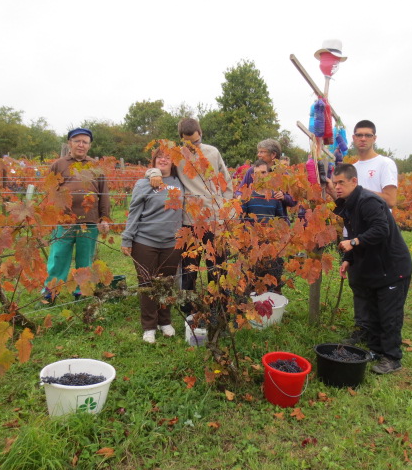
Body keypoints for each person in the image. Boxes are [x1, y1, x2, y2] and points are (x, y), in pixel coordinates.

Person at [327, 164, 412, 374]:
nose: (337, 187)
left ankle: (392, 358)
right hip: (375, 266)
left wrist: (354, 243)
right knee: (373, 310)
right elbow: (355, 230)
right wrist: (348, 258)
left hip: (392, 267)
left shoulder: (368, 201)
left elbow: (381, 229)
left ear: (354, 181)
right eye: (334, 183)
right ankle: (375, 350)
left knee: (389, 315)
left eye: (341, 183)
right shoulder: (350, 204)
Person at [148, 118, 234, 315]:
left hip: (214, 220)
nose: (193, 146)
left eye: (195, 141)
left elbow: (227, 183)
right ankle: (189, 309)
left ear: (200, 133)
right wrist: (153, 172)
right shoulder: (176, 155)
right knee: (189, 267)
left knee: (218, 266)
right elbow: (159, 166)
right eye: (188, 142)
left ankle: (218, 308)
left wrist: (225, 214)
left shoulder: (213, 152)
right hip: (189, 221)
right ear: (181, 138)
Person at [344, 120, 399, 345]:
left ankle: (378, 333)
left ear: (375, 138)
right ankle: (363, 328)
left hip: (376, 233)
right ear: (354, 138)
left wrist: (358, 192)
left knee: (377, 283)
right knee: (358, 282)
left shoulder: (385, 164)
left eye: (367, 135)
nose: (363, 139)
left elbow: (390, 199)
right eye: (359, 135)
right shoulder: (352, 167)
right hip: (353, 231)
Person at [122, 147, 183, 343]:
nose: (164, 160)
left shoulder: (180, 182)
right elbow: (134, 213)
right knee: (147, 284)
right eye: (160, 157)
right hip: (145, 241)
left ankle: (164, 321)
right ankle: (149, 326)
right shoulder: (143, 184)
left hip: (172, 242)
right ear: (154, 160)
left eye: (168, 157)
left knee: (166, 282)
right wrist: (127, 238)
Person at [43, 128, 110, 302]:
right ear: (69, 143)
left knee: (85, 258)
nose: (81, 145)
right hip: (64, 221)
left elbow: (104, 194)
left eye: (85, 142)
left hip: (89, 221)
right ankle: (51, 291)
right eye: (77, 141)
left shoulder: (95, 167)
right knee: (58, 256)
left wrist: (104, 217)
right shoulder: (59, 165)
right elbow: (49, 192)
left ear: (89, 146)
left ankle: (82, 291)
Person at [241, 160, 289, 293]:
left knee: (273, 277)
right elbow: (241, 219)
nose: (259, 176)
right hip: (253, 245)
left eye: (263, 172)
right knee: (252, 278)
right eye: (256, 173)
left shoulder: (275, 197)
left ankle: (274, 304)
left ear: (269, 174)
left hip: (272, 246)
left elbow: (281, 220)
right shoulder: (248, 196)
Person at [235, 138, 296, 215]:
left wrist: (284, 197)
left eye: (262, 152)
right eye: (258, 152)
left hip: (277, 221)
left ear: (273, 154)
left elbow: (294, 200)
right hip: (254, 220)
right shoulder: (252, 171)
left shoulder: (283, 174)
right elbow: (239, 191)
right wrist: (239, 196)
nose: (258, 154)